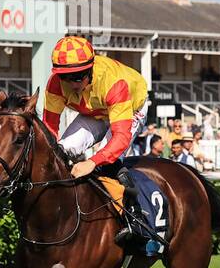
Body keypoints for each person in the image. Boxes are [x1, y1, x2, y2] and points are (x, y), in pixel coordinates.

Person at [43, 35, 149, 249]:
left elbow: (120, 138)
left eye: (78, 77)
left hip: (131, 107)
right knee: (59, 151)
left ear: (90, 70)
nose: (72, 83)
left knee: (106, 162)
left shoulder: (113, 82)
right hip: (93, 112)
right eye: (66, 77)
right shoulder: (55, 84)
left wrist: (92, 161)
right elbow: (49, 130)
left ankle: (135, 220)